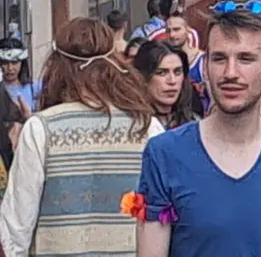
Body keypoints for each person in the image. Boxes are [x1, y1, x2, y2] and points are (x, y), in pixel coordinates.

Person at [131, 4, 261, 256]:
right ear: (205, 64)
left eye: (245, 58)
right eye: (219, 58)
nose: (231, 73)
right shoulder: (164, 154)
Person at [1, 18, 163, 256]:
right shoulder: (147, 128)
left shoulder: (40, 129)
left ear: (58, 66)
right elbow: (162, 218)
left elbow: (15, 229)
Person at [133, 40, 201, 130]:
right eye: (161, 73)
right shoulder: (131, 125)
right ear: (142, 77)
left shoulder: (195, 125)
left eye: (177, 72)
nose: (172, 81)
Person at [165, 8, 208, 113]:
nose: (172, 35)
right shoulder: (164, 60)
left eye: (176, 29)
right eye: (168, 31)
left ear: (187, 29)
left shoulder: (203, 60)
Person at [0, 38, 38, 119]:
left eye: (14, 62)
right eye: (5, 62)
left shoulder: (35, 88)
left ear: (22, 63)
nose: (10, 68)